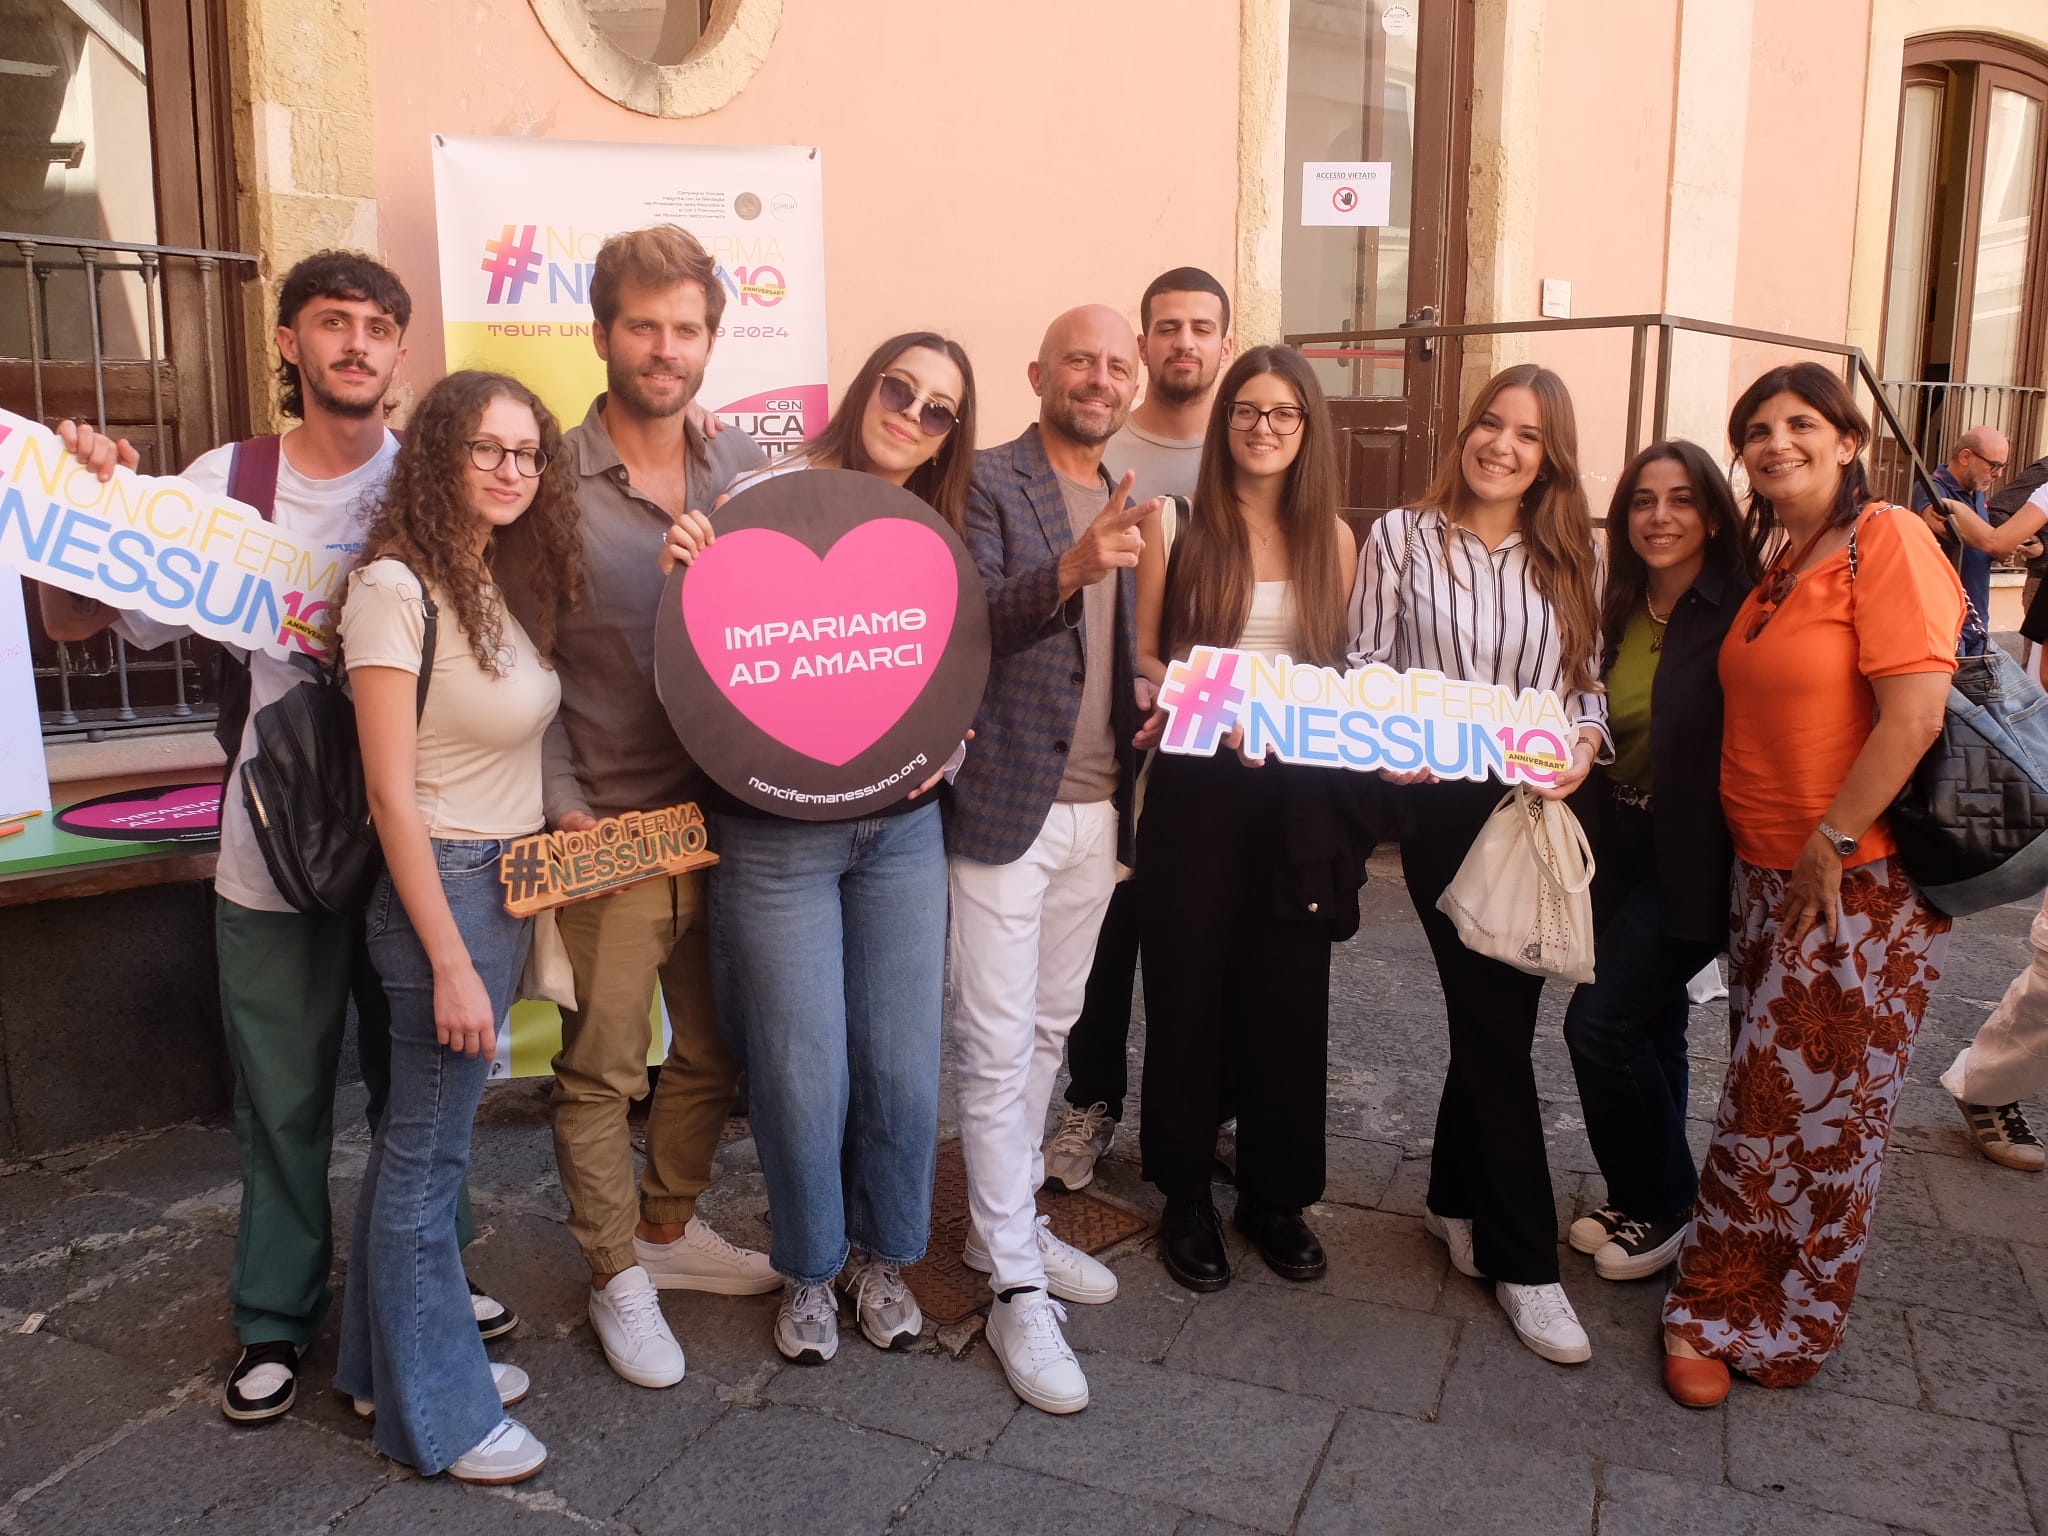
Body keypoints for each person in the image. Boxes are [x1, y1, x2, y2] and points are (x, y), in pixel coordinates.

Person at [36, 252, 515, 1423]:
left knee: (423, 1082)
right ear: (291, 344)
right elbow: (81, 616)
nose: (357, 343)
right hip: (274, 851)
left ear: (402, 353)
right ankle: (275, 1315)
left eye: (378, 325)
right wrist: (80, 502)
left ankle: (430, 1270)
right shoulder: (223, 479)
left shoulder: (449, 482)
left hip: (425, 842)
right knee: (282, 1097)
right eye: (331, 323)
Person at [660, 332, 978, 1364]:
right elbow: (715, 650)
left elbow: (950, 663)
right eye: (901, 389)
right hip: (772, 832)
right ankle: (806, 1267)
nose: (912, 416)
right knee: (800, 1071)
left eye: (938, 410)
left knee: (899, 1064)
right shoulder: (762, 491)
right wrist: (687, 572)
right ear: (867, 385)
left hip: (899, 831)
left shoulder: (939, 525)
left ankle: (883, 1257)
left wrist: (952, 738)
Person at [495, 225, 776, 1393]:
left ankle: (665, 1233)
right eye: (643, 327)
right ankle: (612, 1272)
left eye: (687, 328)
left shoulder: (745, 469)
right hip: (606, 830)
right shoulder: (545, 485)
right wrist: (560, 810)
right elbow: (517, 656)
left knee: (714, 1055)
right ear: (601, 334)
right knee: (601, 1070)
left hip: (731, 824)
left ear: (713, 337)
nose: (666, 350)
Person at [1661, 362, 1962, 1407]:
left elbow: (1914, 713)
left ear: (1846, 441)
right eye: (1754, 427)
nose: (1772, 440)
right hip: (1768, 875)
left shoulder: (1888, 541)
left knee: (1804, 1120)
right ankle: (1749, 1298)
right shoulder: (1781, 557)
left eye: (1798, 422)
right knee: (1777, 1105)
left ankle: (1739, 1319)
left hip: (1851, 883)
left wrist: (1828, 842)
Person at [333, 371, 580, 1483]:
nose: (509, 469)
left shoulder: (485, 578)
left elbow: (505, 743)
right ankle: (440, 1415)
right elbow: (393, 795)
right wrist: (448, 962)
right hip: (443, 892)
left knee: (416, 1155)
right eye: (485, 448)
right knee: (428, 1162)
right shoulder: (394, 586)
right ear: (439, 454)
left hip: (502, 881)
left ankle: (384, 1365)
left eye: (526, 453)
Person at [1346, 363, 1608, 1366]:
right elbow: (1363, 660)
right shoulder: (1400, 537)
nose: (1500, 446)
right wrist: (1395, 728)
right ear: (1463, 432)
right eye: (1489, 425)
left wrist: (1585, 744)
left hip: (1533, 802)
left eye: (1527, 436)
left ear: (1550, 457)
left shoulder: (1566, 552)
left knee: (1495, 1019)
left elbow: (1579, 685)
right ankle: (1523, 1261)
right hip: (1443, 805)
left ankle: (1452, 1198)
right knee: (1497, 1028)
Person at [948, 304, 1156, 1414]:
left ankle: (1006, 1225)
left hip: (1094, 810)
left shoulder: (1131, 493)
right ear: (1037, 371)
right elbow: (966, 622)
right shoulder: (985, 481)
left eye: (1115, 365)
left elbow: (1129, 651)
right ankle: (1015, 1291)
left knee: (1047, 1029)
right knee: (990, 1044)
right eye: (1080, 358)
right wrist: (1071, 567)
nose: (1099, 376)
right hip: (1000, 805)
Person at [1135, 345, 1363, 1292]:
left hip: (1300, 799)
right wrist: (1215, 710)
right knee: (1186, 993)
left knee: (1288, 998)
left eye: (1284, 414)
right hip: (1196, 783)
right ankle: (1185, 1192)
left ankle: (1275, 1196)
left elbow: (1346, 676)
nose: (1263, 428)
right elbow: (1144, 661)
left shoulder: (1336, 543)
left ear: (1308, 430)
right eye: (1247, 411)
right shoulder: (1173, 522)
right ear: (1224, 422)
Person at [1046, 266, 1233, 1193]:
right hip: (1115, 735)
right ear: (1145, 345)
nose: (1183, 344)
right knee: (1104, 935)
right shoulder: (1105, 443)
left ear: (1225, 344)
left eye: (1202, 328)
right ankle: (1091, 1104)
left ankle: (1207, 1110)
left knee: (1204, 939)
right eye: (1167, 328)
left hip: (1221, 743)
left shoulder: (1247, 449)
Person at [1560, 443, 1758, 1282]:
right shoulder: (1617, 603)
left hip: (1696, 855)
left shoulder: (1744, 610)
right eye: (1643, 500)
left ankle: (1670, 1199)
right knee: (1653, 1023)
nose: (1661, 516)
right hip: (1615, 845)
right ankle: (1638, 1193)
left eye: (1681, 499)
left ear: (1712, 513)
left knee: (1598, 1026)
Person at [1908, 426, 2018, 655]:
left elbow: (1979, 543)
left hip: (1976, 619)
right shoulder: (1932, 488)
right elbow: (1947, 528)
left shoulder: (1976, 492)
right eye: (1994, 465)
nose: (1998, 474)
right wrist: (1994, 543)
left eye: (2002, 466)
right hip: (1945, 621)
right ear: (1966, 456)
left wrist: (2003, 549)